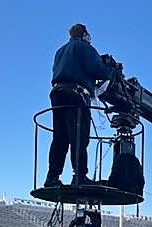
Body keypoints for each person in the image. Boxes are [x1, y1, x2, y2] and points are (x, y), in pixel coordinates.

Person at [44, 23, 115, 188]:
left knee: (60, 137)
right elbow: (95, 68)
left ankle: (52, 177)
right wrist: (111, 72)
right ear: (84, 35)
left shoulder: (60, 51)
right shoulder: (84, 48)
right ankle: (80, 176)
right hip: (76, 95)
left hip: (58, 94)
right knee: (79, 137)